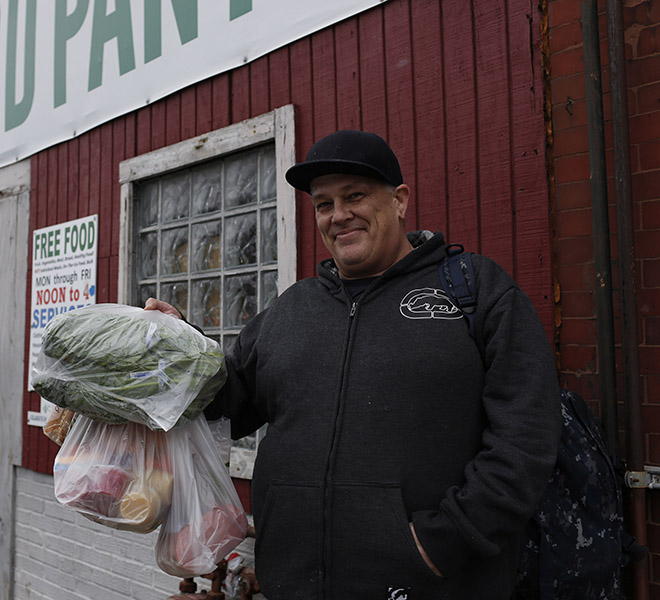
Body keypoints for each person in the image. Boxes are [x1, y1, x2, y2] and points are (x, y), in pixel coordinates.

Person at [146, 130, 561, 599]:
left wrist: (444, 541)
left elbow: (526, 436)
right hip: (293, 583)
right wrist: (181, 342)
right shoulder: (292, 309)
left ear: (400, 200)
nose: (339, 215)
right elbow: (228, 399)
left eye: (355, 196)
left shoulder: (475, 292)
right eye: (324, 204)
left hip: (429, 583)